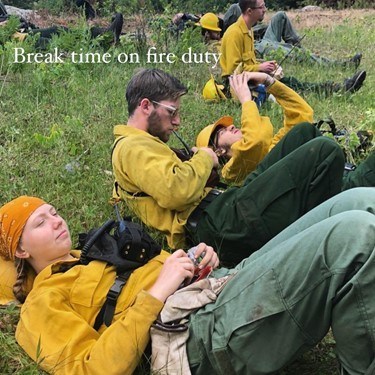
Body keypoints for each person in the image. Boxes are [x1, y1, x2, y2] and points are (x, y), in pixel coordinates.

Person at [0, 189, 374, 374]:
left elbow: (163, 273)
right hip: (189, 336)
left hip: (215, 289)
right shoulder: (40, 304)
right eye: (40, 223)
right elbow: (93, 369)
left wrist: (199, 261)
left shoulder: (91, 255)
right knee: (357, 235)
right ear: (19, 250)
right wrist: (159, 290)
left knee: (359, 200)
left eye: (53, 212)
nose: (57, 221)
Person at [111, 68, 370, 266]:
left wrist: (269, 82)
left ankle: (337, 205)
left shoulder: (143, 145)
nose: (177, 122)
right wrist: (206, 157)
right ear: (145, 106)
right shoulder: (131, 147)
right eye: (172, 112)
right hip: (217, 225)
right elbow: (175, 191)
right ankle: (327, 236)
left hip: (227, 207)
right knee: (325, 151)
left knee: (304, 132)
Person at [197, 72, 375, 188]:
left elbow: (301, 115)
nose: (232, 126)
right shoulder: (232, 172)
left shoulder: (269, 149)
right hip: (339, 190)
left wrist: (270, 82)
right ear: (218, 150)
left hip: (340, 176)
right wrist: (246, 101)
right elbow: (255, 141)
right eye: (223, 132)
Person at [220, 0, 367, 96]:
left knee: (290, 81)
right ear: (249, 11)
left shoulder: (248, 29)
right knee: (290, 86)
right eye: (261, 7)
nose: (265, 9)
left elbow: (247, 64)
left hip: (252, 77)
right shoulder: (234, 33)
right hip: (240, 85)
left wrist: (264, 66)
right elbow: (234, 72)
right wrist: (260, 68)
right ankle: (338, 89)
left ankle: (338, 87)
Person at [223, 4, 362, 67]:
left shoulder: (249, 27)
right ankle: (338, 65)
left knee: (280, 16)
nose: (264, 10)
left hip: (262, 39)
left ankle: (301, 51)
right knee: (278, 47)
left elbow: (261, 28)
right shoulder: (231, 34)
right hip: (259, 47)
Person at [0, 2, 123, 49]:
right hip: (10, 41)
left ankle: (103, 35)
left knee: (57, 30)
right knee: (45, 41)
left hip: (16, 34)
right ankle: (99, 44)